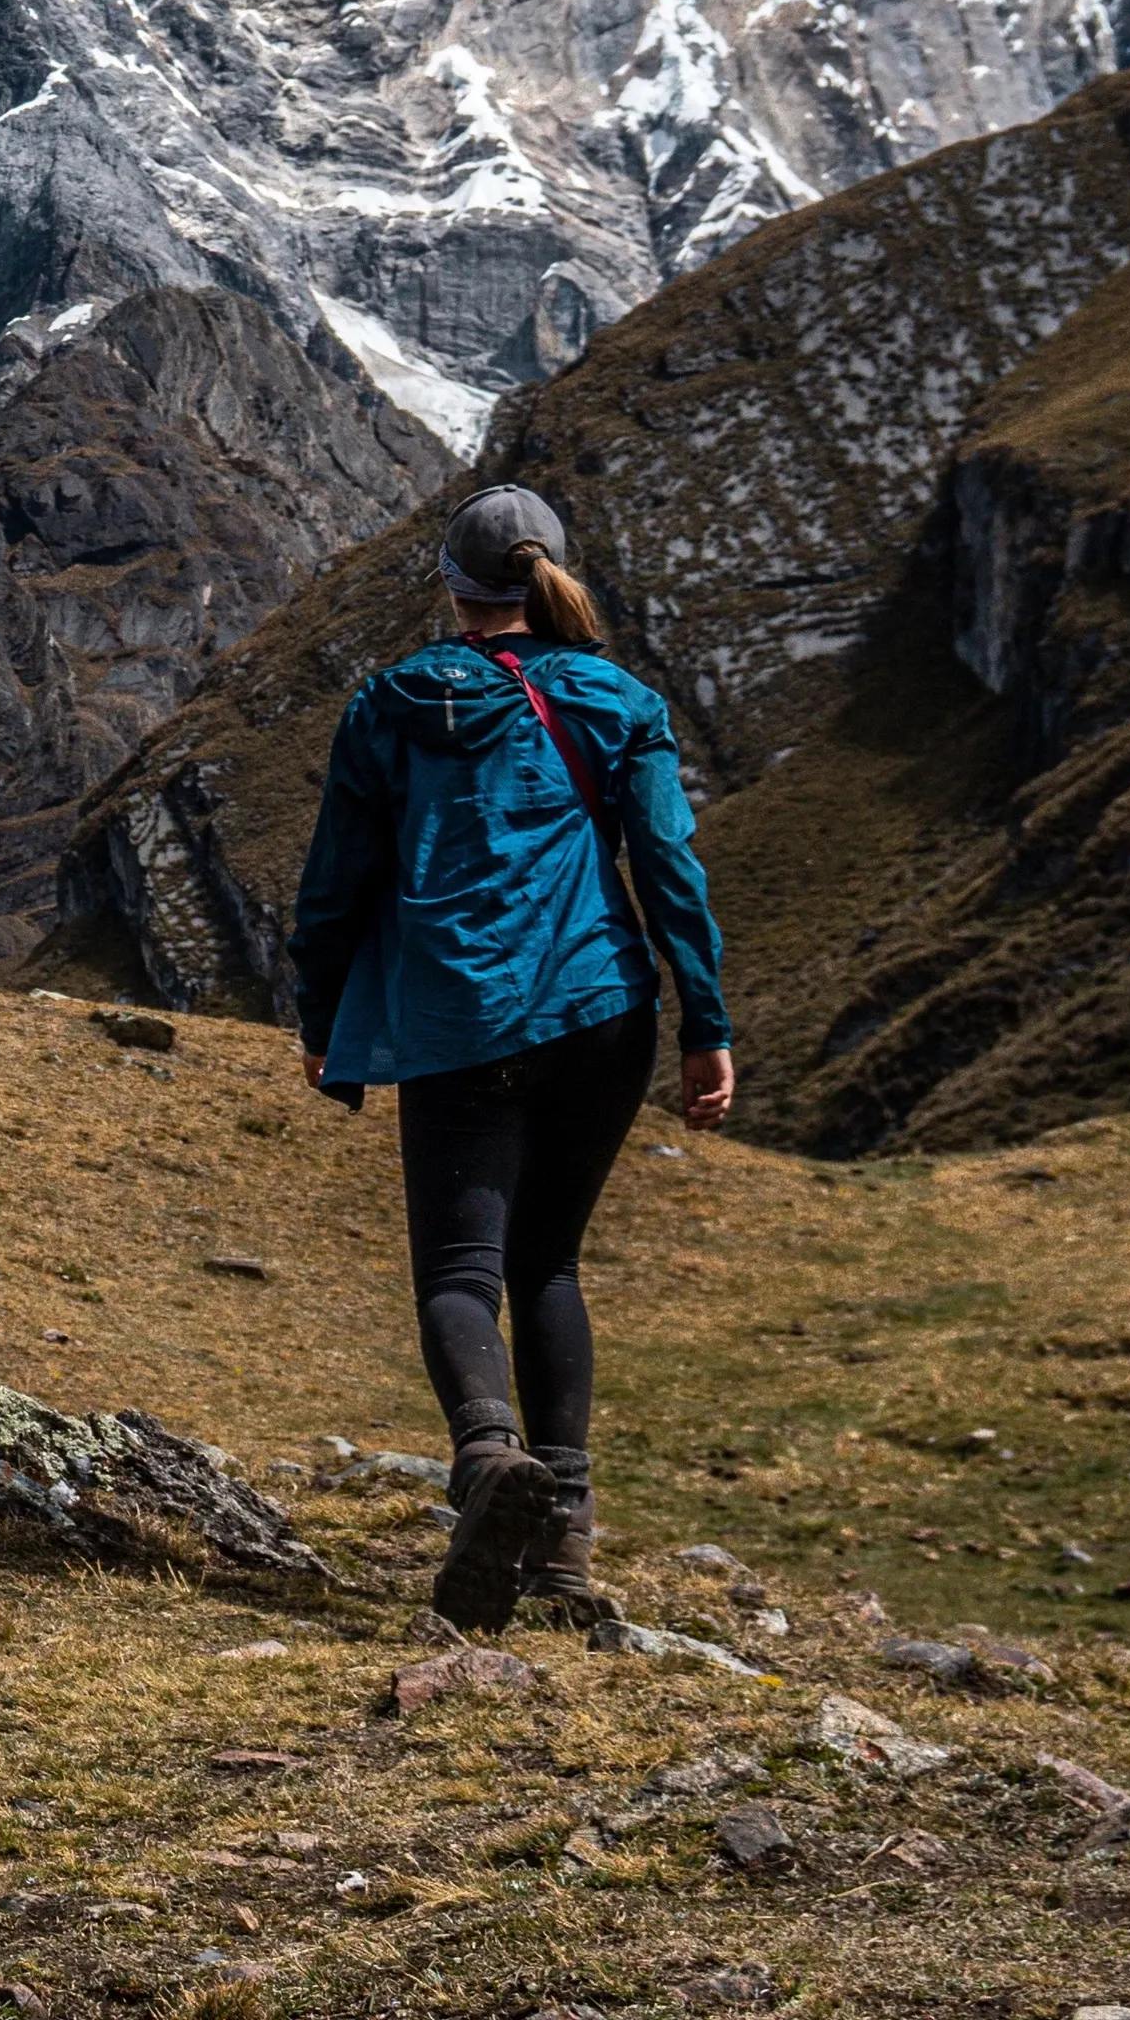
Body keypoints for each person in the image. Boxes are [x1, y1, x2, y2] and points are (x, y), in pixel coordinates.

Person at [287, 483, 734, 1629]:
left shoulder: (389, 704)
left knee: (459, 1272)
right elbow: (670, 870)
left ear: (454, 583)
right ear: (548, 575)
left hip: (460, 1018)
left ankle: (490, 1458)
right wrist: (706, 1023)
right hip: (601, 1011)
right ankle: (566, 1547)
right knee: (550, 1265)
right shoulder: (617, 698)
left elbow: (334, 881)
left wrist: (323, 1014)